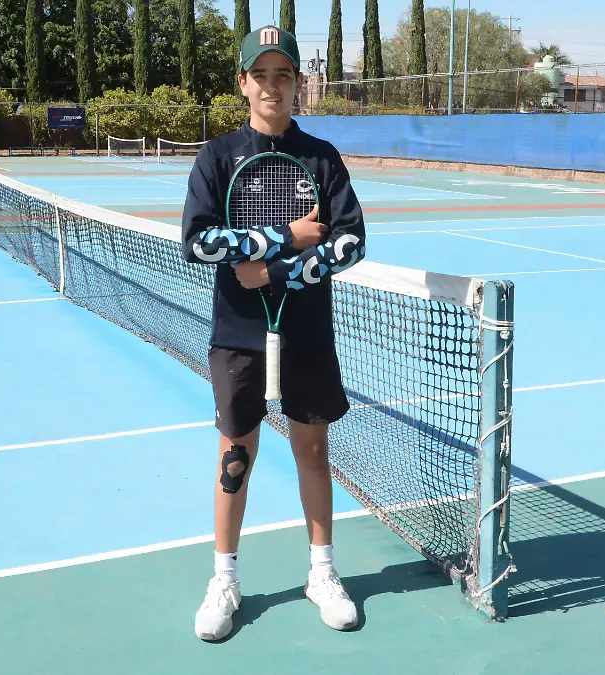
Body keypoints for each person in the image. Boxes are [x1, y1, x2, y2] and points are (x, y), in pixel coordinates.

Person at [180, 25, 368, 641]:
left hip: (307, 331)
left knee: (312, 451)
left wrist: (272, 270)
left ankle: (322, 573)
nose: (271, 86)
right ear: (243, 84)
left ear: (297, 83)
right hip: (238, 334)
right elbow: (198, 242)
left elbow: (350, 242)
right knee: (235, 456)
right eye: (259, 75)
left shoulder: (322, 158)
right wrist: (286, 236)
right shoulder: (216, 158)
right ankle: (224, 580)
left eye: (282, 75)